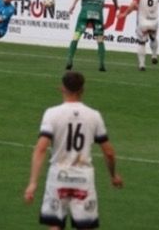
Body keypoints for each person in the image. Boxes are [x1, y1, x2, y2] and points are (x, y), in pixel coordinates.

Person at [24, 71, 123, 229]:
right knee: (85, 226)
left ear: (62, 88)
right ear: (83, 90)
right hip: (83, 178)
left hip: (58, 176)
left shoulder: (52, 114)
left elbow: (41, 149)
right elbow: (109, 152)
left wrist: (33, 183)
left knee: (55, 225)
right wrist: (113, 175)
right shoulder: (94, 115)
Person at [66, 0, 118, 72]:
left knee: (76, 35)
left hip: (85, 11)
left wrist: (73, 5)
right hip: (98, 12)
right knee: (100, 39)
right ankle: (102, 64)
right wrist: (116, 6)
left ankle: (70, 60)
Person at [119, 0, 159, 71]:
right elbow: (153, 3)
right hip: (154, 21)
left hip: (143, 21)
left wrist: (125, 14)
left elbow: (134, 4)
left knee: (141, 42)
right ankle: (154, 55)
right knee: (153, 38)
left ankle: (142, 64)